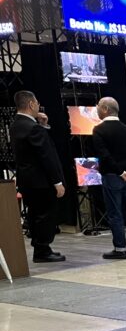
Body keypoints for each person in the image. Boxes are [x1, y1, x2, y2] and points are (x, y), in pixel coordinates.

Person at [10, 91, 65, 263]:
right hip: (41, 181)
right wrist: (57, 181)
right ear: (31, 104)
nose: (39, 106)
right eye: (37, 103)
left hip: (27, 181)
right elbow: (46, 156)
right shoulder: (32, 127)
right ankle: (42, 250)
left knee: (35, 215)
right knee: (45, 215)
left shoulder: (16, 124)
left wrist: (43, 126)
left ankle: (40, 248)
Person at [92, 97, 126, 260]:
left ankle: (120, 249)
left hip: (112, 176)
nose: (96, 108)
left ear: (105, 109)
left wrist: (120, 172)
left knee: (115, 213)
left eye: (98, 106)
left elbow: (104, 156)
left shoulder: (99, 130)